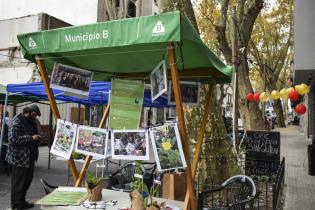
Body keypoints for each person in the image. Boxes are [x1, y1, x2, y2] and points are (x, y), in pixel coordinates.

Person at [6, 105, 42, 210]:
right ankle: (16, 205)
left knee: (26, 182)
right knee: (18, 184)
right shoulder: (17, 121)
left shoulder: (32, 121)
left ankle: (22, 202)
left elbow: (36, 133)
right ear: (28, 112)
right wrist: (31, 138)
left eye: (36, 116)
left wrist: (38, 137)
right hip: (19, 159)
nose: (35, 117)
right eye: (34, 115)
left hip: (30, 157)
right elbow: (13, 139)